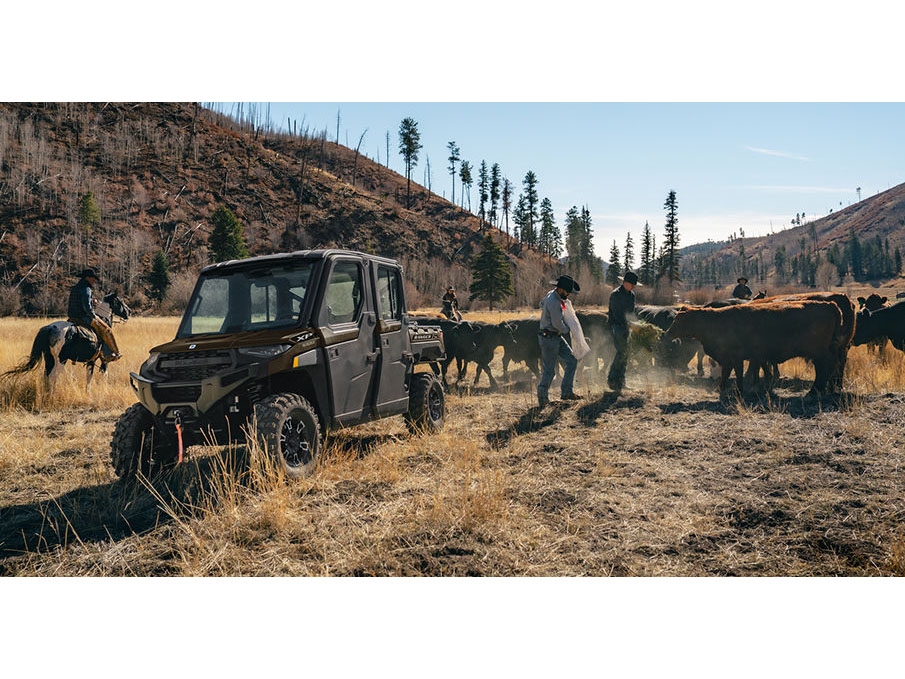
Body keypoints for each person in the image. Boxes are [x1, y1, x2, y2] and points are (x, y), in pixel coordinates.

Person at [537, 274, 582, 407]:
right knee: (549, 370)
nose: (568, 294)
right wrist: (570, 329)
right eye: (567, 292)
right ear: (561, 289)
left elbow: (541, 304)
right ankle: (542, 397)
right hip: (549, 338)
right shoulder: (555, 302)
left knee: (572, 360)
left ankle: (567, 392)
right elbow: (558, 325)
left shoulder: (551, 294)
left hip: (554, 336)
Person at [67, 268, 121, 361]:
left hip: (72, 316)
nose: (94, 280)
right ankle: (109, 354)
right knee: (106, 330)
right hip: (83, 317)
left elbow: (79, 301)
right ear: (87, 278)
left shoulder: (76, 287)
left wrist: (91, 300)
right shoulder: (86, 288)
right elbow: (86, 307)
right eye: (93, 278)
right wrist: (93, 315)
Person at [607, 270, 640, 392]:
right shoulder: (615, 295)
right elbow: (617, 314)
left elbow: (631, 312)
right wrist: (630, 324)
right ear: (626, 283)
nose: (634, 286)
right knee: (621, 353)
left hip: (627, 327)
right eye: (633, 284)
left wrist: (635, 323)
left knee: (625, 354)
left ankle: (621, 382)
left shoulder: (632, 295)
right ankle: (611, 379)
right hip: (617, 327)